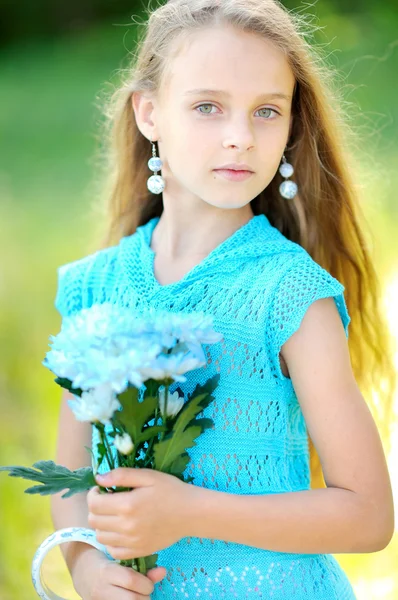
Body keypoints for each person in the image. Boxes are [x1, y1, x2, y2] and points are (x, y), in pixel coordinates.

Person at [51, 0, 397, 598]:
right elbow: (70, 474)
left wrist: (190, 511)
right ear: (150, 113)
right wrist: (85, 565)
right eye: (208, 107)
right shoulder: (95, 288)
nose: (239, 137)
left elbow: (368, 516)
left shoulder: (288, 294)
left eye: (267, 111)